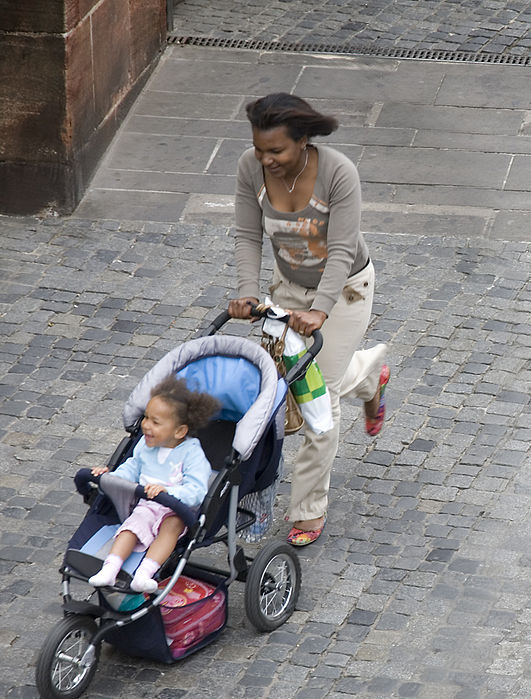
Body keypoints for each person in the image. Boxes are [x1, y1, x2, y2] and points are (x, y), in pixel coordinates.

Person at [228, 92, 390, 548]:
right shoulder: (250, 168)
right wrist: (246, 293)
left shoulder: (338, 173)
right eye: (260, 149)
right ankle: (372, 375)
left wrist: (321, 308)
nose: (266, 159)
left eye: (276, 150)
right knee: (281, 390)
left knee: (321, 400)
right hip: (288, 287)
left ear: (302, 141)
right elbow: (247, 234)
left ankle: (308, 509)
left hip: (345, 291)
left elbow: (341, 249)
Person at [88, 377, 219, 593]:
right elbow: (132, 468)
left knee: (171, 527)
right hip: (146, 506)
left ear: (179, 431)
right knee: (130, 528)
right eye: (146, 417)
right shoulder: (145, 445)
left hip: (176, 510)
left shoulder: (192, 454)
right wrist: (111, 477)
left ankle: (144, 574)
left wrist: (170, 492)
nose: (146, 425)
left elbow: (197, 491)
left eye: (155, 422)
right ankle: (109, 569)